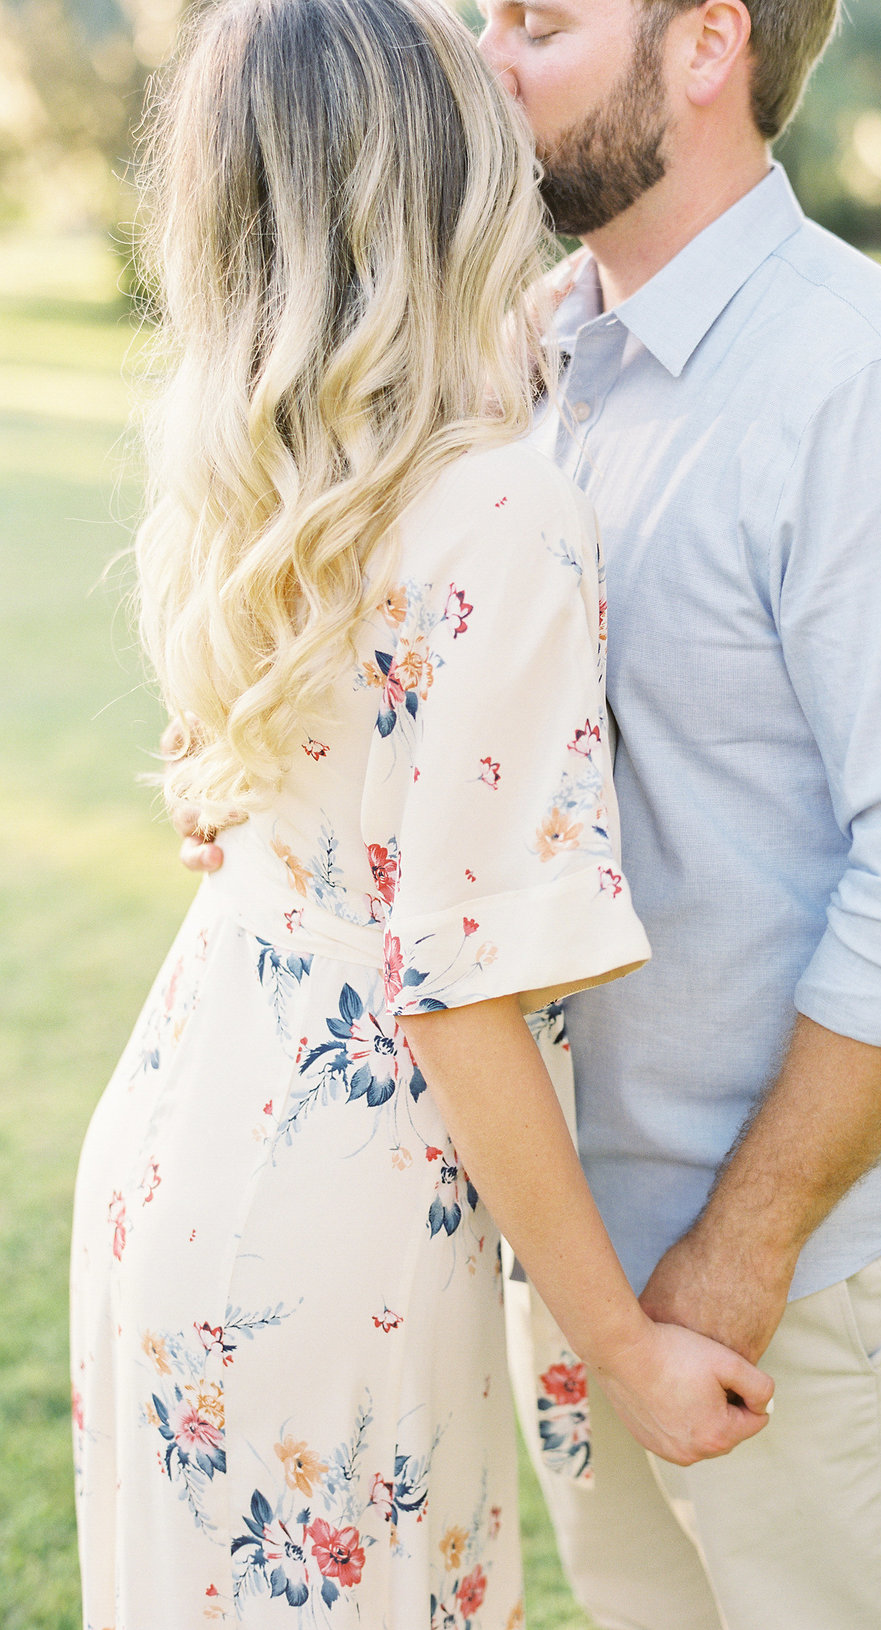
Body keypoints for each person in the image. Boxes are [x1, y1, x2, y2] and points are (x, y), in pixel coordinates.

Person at [179, 2, 881, 1628]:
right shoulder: (511, 357)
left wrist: (747, 1243)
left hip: (785, 1268)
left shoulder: (876, 388)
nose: (485, 61)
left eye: (541, 24)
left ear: (707, 44)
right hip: (554, 1236)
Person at [67, 1, 775, 1625]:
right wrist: (631, 1348)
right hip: (342, 1206)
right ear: (447, 177)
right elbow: (460, 994)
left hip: (183, 1133)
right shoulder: (504, 512)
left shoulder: (261, 458)